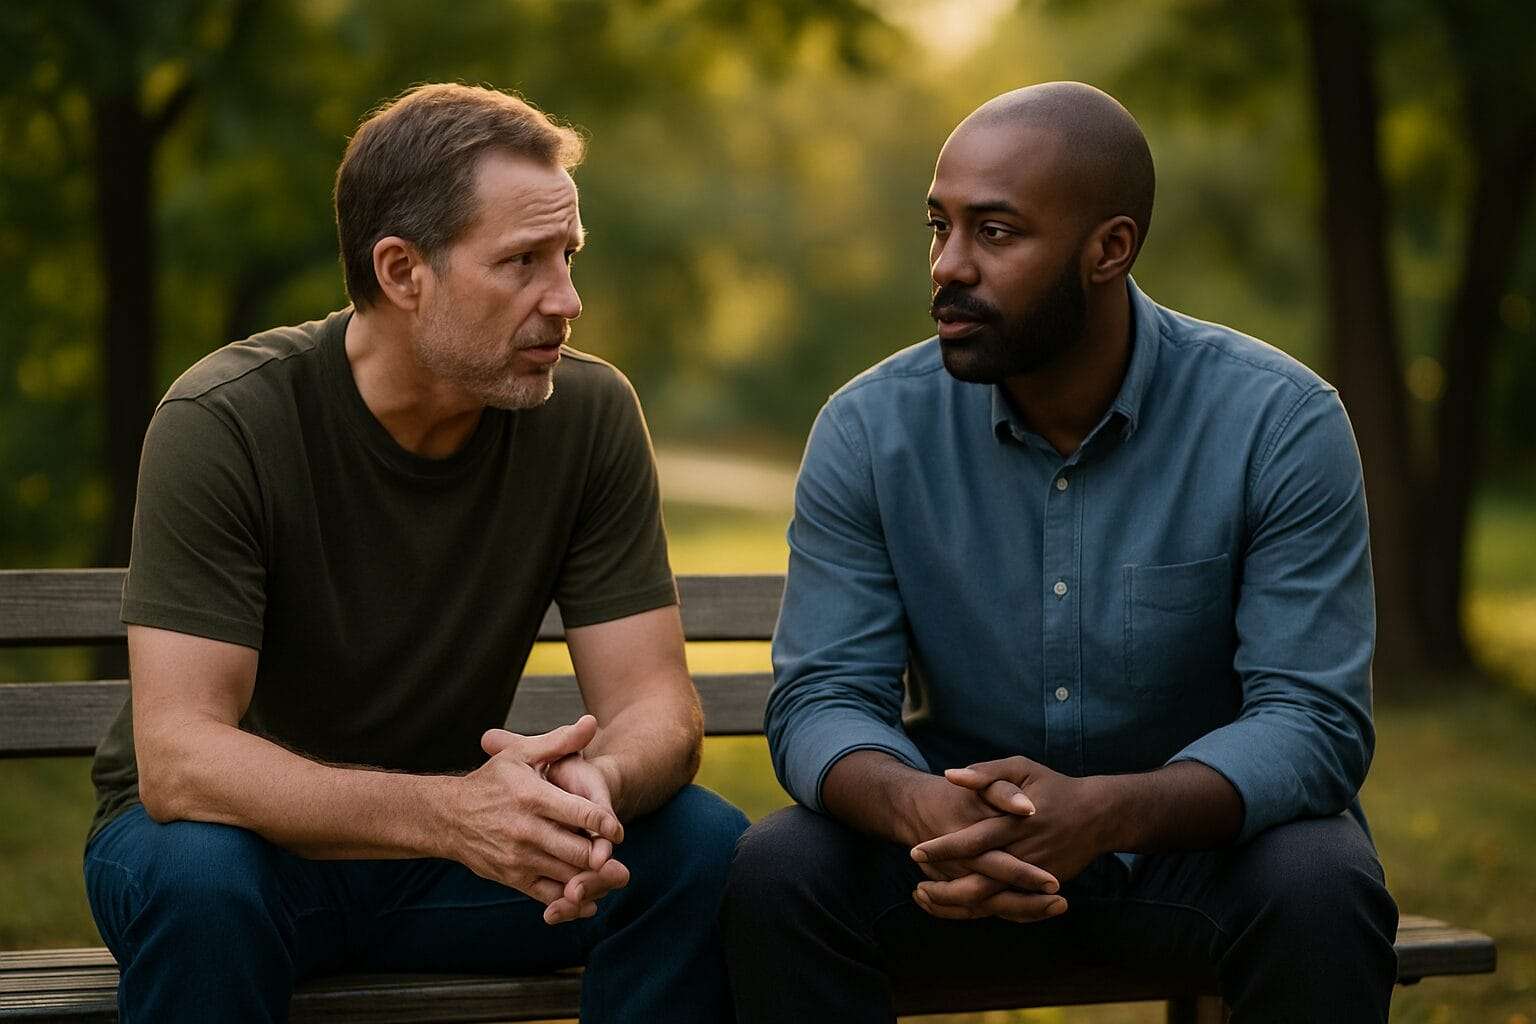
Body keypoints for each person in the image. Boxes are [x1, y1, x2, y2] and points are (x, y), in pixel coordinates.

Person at [723, 82, 1398, 1022]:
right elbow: (823, 695)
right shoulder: (871, 430)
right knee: (779, 870)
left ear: (1109, 249)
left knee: (1321, 879)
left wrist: (1106, 814)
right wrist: (924, 810)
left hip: (1190, 862)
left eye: (995, 233)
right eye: (939, 227)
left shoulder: (1278, 423)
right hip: (947, 859)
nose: (947, 267)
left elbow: (1315, 719)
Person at [83, 83, 747, 1024]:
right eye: (522, 262)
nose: (567, 300)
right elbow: (182, 761)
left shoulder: (587, 415)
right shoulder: (225, 420)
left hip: (444, 868)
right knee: (199, 881)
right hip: (237, 853)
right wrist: (452, 815)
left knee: (699, 847)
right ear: (402, 271)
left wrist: (598, 786)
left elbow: (653, 704)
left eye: (568, 256)